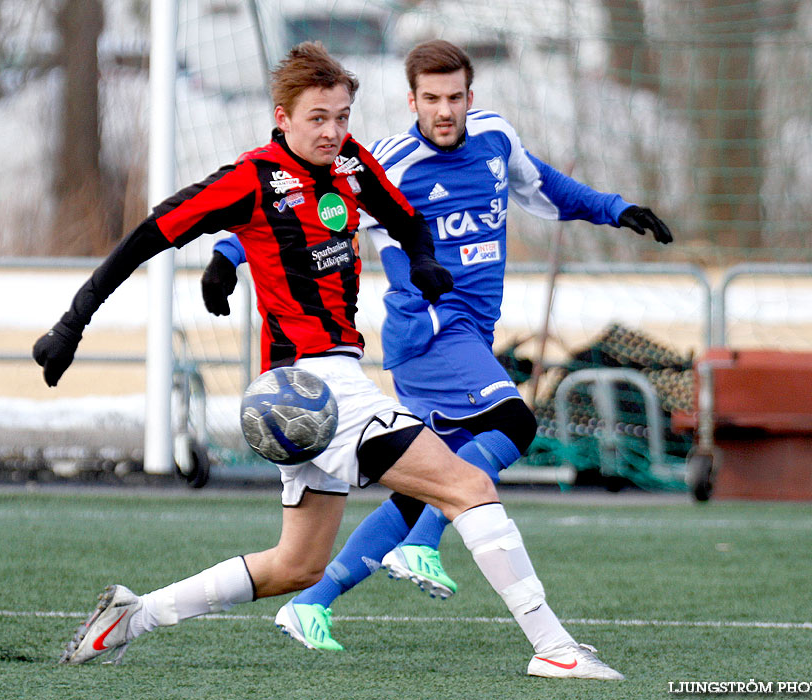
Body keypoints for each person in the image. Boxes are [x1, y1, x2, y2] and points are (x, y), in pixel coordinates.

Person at [32, 41, 622, 680]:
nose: (334, 131)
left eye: (343, 116)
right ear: (282, 117)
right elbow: (149, 234)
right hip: (314, 385)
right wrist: (73, 322)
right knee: (469, 485)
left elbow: (406, 220)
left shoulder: (350, 164)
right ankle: (555, 649)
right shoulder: (249, 179)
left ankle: (131, 616)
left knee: (297, 566)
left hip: (318, 389)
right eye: (319, 117)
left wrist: (422, 259)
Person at [201, 40, 673, 654]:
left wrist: (615, 209)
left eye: (455, 98)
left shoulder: (496, 140)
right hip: (427, 332)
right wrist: (226, 253)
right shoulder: (390, 163)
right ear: (412, 100)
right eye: (431, 99)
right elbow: (300, 215)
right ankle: (424, 544)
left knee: (427, 481)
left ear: (471, 98)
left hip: (471, 334)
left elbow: (545, 187)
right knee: (514, 422)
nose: (444, 110)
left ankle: (310, 602)